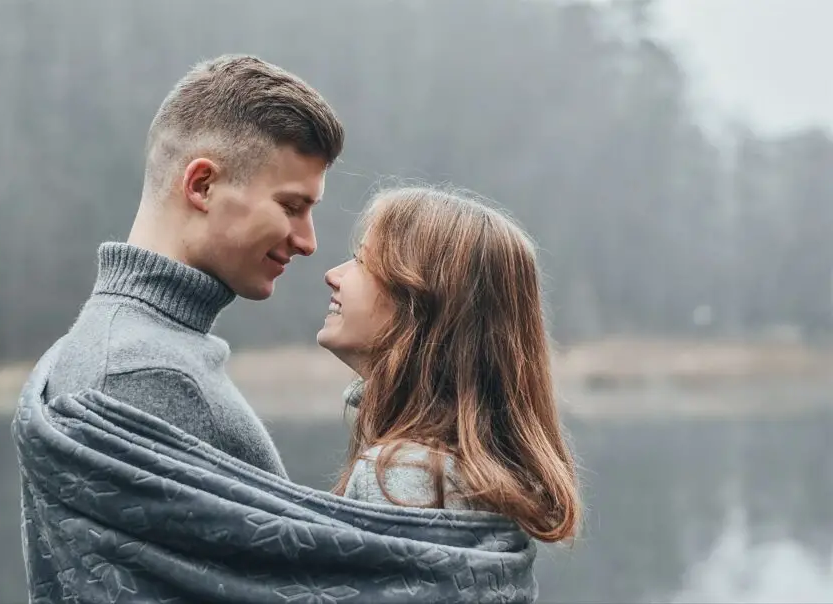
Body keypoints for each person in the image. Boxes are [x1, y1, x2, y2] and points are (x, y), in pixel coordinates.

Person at [32, 54, 344, 478]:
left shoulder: (136, 353)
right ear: (203, 185)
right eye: (291, 206)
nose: (308, 243)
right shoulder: (140, 376)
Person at [317, 185, 581, 543]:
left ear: (420, 303)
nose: (333, 274)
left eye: (363, 261)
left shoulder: (404, 476)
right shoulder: (477, 474)